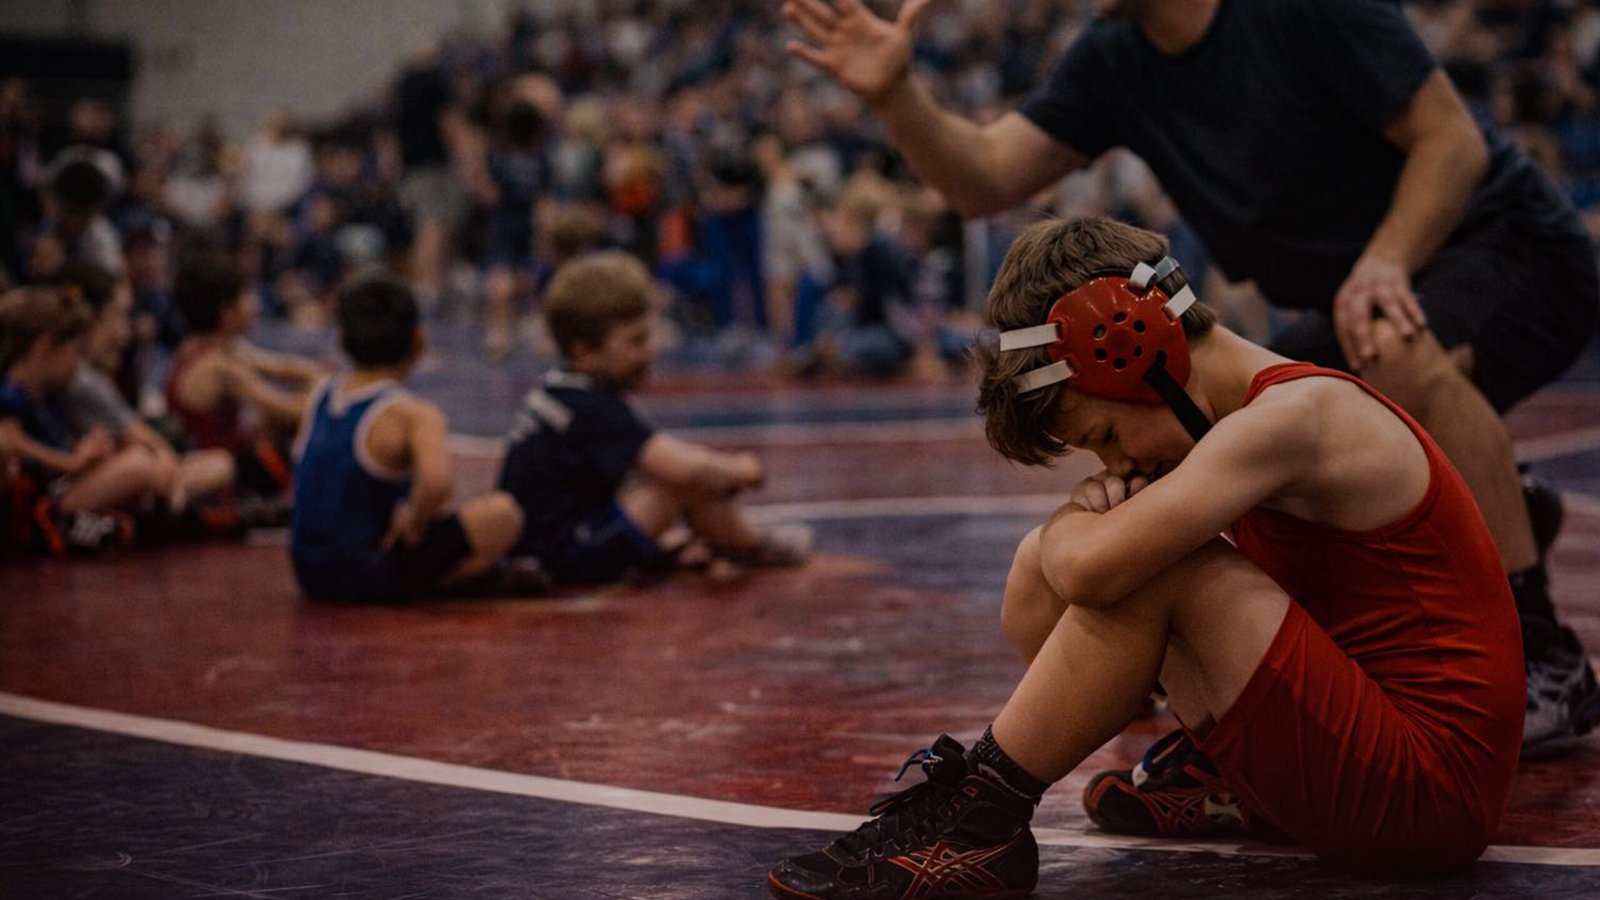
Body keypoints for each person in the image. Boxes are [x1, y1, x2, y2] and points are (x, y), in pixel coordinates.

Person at [782, 0, 1600, 751]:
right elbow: (985, 177)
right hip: (1360, 288)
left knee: (1386, 347)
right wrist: (897, 98)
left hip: (1508, 247)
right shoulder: (1114, 55)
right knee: (1228, 421)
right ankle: (1489, 504)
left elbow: (1450, 139)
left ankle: (1546, 656)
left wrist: (1385, 261)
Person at [768, 216, 1524, 898]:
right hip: (1380, 751)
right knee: (1042, 567)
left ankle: (975, 821)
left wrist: (1073, 521)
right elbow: (1050, 583)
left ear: (1135, 347)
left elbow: (1098, 570)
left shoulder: (1293, 419)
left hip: (1429, 795)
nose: (1111, 462)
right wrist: (1069, 536)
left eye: (1102, 437)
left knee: (1149, 568)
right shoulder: (1256, 415)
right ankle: (1227, 771)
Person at [496, 251, 813, 586]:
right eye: (636, 341)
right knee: (679, 483)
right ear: (584, 351)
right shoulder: (592, 407)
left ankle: (703, 545)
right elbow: (685, 469)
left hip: (542, 546)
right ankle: (754, 546)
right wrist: (740, 470)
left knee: (654, 475)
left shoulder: (560, 387)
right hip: (566, 557)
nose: (650, 352)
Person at [289, 276, 535, 604]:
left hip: (309, 573)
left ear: (343, 343)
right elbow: (436, 483)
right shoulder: (413, 414)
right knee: (502, 514)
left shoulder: (319, 393)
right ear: (419, 341)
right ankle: (455, 580)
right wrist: (415, 521)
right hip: (368, 574)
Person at [0, 287, 163, 554]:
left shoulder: (48, 398)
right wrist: (73, 461)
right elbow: (10, 440)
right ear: (45, 348)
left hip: (55, 487)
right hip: (39, 497)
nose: (78, 366)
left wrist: (88, 452)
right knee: (140, 465)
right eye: (75, 353)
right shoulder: (12, 394)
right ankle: (55, 522)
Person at [165, 252, 322, 500]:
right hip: (217, 471)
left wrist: (319, 376)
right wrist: (331, 388)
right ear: (227, 312)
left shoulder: (222, 347)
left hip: (227, 459)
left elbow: (287, 367)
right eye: (248, 296)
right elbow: (292, 410)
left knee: (273, 428)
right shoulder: (218, 366)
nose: (256, 302)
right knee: (304, 436)